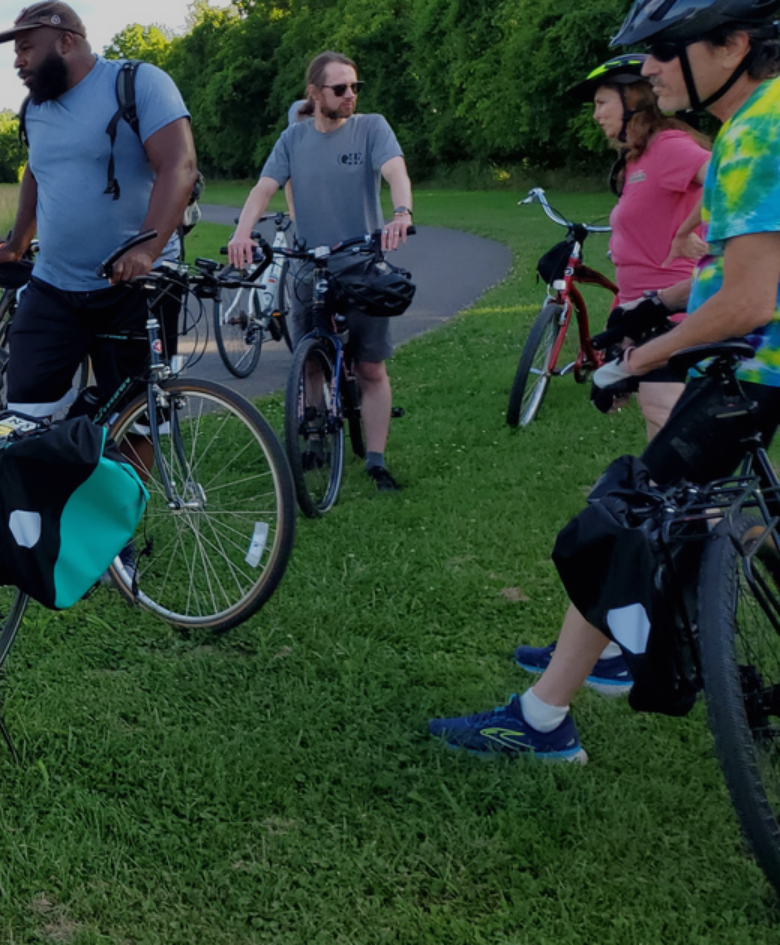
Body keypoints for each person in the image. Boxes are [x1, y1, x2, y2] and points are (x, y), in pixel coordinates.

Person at [430, 0, 780, 762]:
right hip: (744, 364)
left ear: (732, 45)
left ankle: (544, 717)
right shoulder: (754, 123)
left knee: (623, 517)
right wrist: (653, 305)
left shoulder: (757, 133)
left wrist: (636, 359)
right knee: (659, 520)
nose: (648, 70)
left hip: (751, 371)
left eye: (664, 49)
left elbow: (749, 301)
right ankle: (607, 660)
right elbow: (734, 274)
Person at [0, 1, 199, 426]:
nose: (18, 62)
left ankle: (118, 468)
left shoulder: (138, 83)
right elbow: (37, 172)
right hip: (54, 287)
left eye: (26, 48)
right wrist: (16, 243)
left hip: (136, 288)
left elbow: (179, 165)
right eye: (16, 52)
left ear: (66, 42)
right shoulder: (35, 108)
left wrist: (146, 249)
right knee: (22, 417)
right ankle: (49, 468)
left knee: (137, 420)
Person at [228, 51, 415, 493]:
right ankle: (313, 440)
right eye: (340, 88)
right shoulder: (293, 139)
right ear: (314, 94)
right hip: (309, 265)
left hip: (362, 263)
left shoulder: (371, 128)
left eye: (355, 87)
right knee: (311, 363)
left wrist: (401, 212)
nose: (350, 95)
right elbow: (264, 187)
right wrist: (241, 232)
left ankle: (376, 461)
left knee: (370, 367)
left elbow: (395, 171)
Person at [577, 53, 713, 440]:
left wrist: (688, 229)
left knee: (668, 419)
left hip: (673, 307)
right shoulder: (637, 160)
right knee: (657, 420)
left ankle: (710, 483)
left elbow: (729, 180)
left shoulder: (668, 145)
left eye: (602, 103)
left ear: (633, 100)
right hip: (639, 309)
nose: (596, 115)